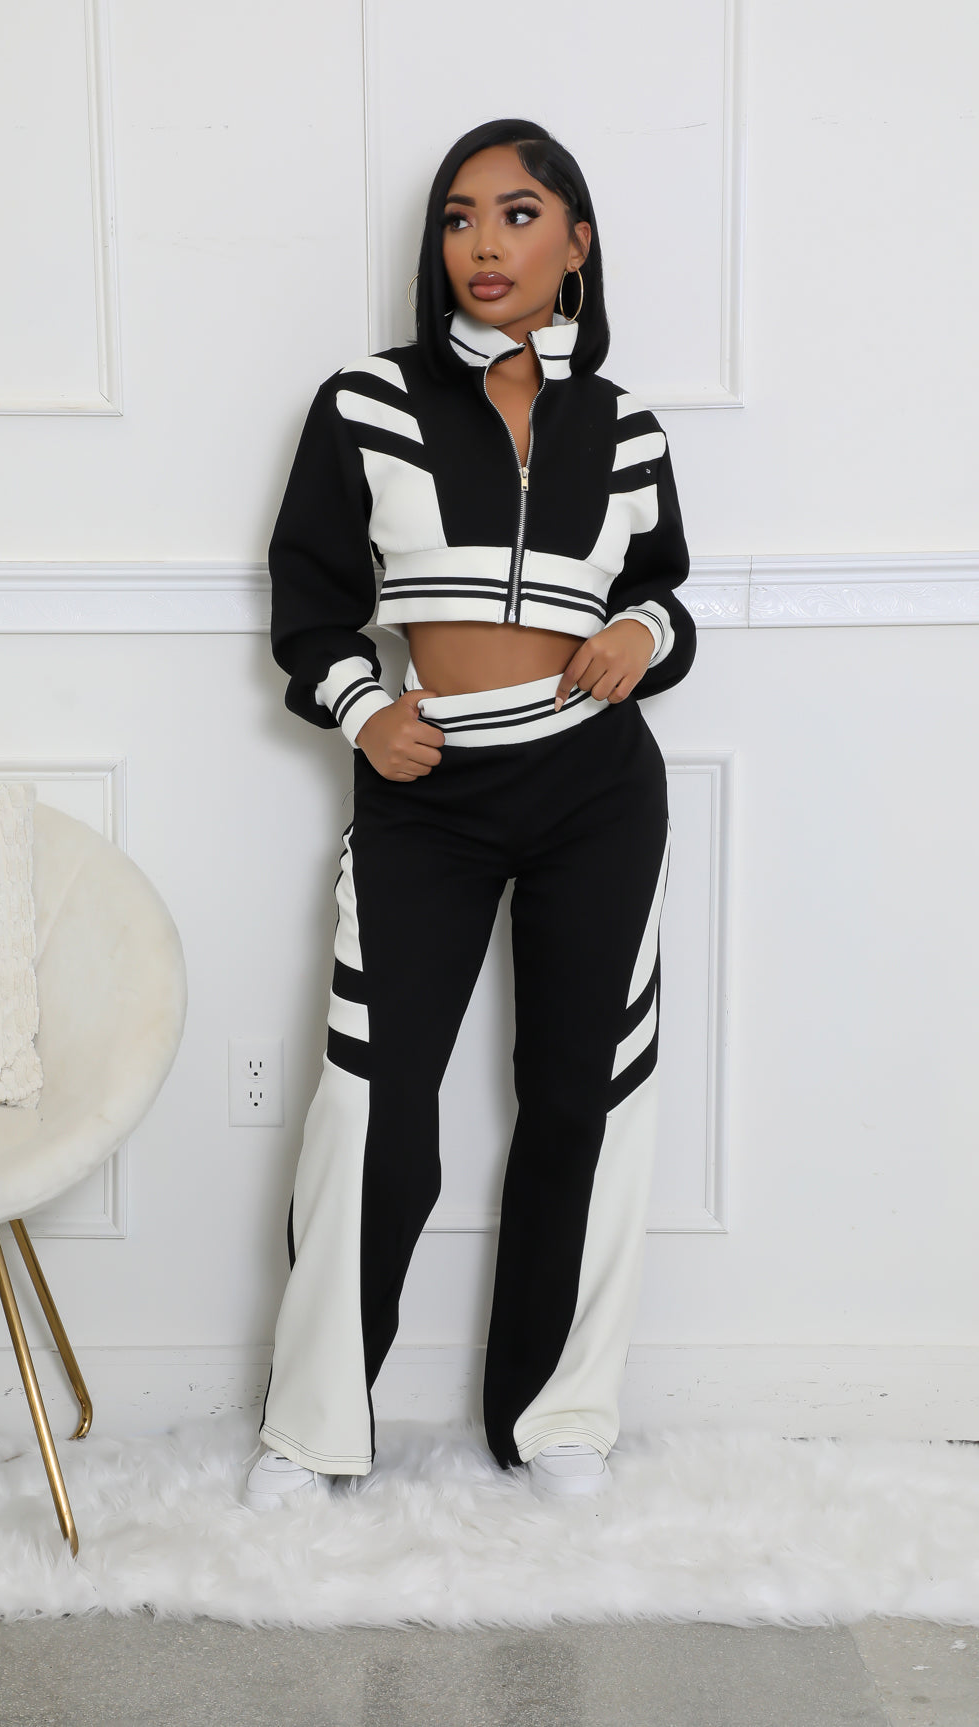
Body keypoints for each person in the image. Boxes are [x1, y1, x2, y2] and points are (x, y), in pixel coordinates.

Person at [245, 117, 696, 1512]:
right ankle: (313, 1429)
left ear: (576, 242)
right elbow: (310, 602)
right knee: (372, 1101)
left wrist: (641, 633)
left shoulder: (626, 427)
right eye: (458, 217)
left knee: (586, 1095)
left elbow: (667, 592)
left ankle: (558, 1417)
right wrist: (361, 711)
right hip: (425, 790)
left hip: (595, 787)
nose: (483, 244)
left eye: (516, 213)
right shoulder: (366, 403)